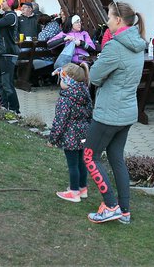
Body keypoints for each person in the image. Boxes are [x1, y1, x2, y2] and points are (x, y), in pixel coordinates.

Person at [84, 1, 146, 224]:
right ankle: (124, 210)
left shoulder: (115, 46)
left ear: (118, 20)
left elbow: (96, 77)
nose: (107, 21)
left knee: (89, 156)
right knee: (116, 157)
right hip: (127, 112)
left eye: (109, 17)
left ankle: (110, 205)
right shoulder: (138, 44)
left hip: (109, 113)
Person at [51, 61, 93, 203]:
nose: (60, 83)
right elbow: (90, 114)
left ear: (69, 81)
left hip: (70, 137)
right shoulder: (85, 93)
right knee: (82, 162)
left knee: (73, 165)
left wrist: (53, 139)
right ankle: (83, 188)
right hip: (84, 135)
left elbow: (59, 122)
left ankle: (74, 192)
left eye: (61, 79)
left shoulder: (65, 99)